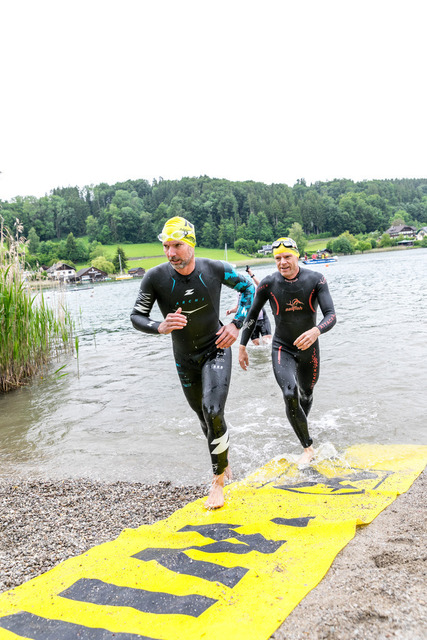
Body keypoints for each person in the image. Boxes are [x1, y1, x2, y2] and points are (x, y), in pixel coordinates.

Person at [130, 216, 255, 509]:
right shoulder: (155, 277)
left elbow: (249, 288)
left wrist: (236, 324)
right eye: (166, 246)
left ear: (191, 243)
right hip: (184, 357)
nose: (170, 253)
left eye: (177, 245)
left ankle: (218, 482)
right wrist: (159, 326)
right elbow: (136, 316)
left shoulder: (215, 269)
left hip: (216, 348)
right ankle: (222, 459)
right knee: (203, 416)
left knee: (213, 410)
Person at [238, 237, 336, 465]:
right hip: (283, 347)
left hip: (309, 348)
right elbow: (251, 315)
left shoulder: (316, 279)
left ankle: (300, 425)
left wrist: (316, 331)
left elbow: (331, 315)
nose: (282, 262)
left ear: (297, 256)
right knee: (290, 393)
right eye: (278, 258)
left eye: (287, 257)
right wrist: (242, 346)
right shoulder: (268, 283)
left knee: (306, 394)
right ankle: (307, 447)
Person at [226, 266, 272, 345]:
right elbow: (239, 308)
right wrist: (230, 311)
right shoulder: (239, 293)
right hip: (250, 321)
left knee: (267, 341)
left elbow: (262, 285)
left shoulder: (254, 288)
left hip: (262, 319)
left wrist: (251, 274)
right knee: (256, 344)